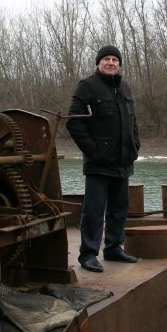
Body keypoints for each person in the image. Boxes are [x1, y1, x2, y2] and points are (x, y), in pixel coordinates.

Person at [66, 44, 141, 273]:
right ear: (98, 63)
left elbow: (133, 122)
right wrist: (93, 151)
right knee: (94, 210)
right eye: (106, 59)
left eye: (115, 59)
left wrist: (135, 146)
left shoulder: (125, 88)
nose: (111, 62)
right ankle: (88, 254)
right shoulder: (87, 86)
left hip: (122, 162)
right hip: (98, 164)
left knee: (119, 209)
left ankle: (113, 248)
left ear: (119, 64)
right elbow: (74, 122)